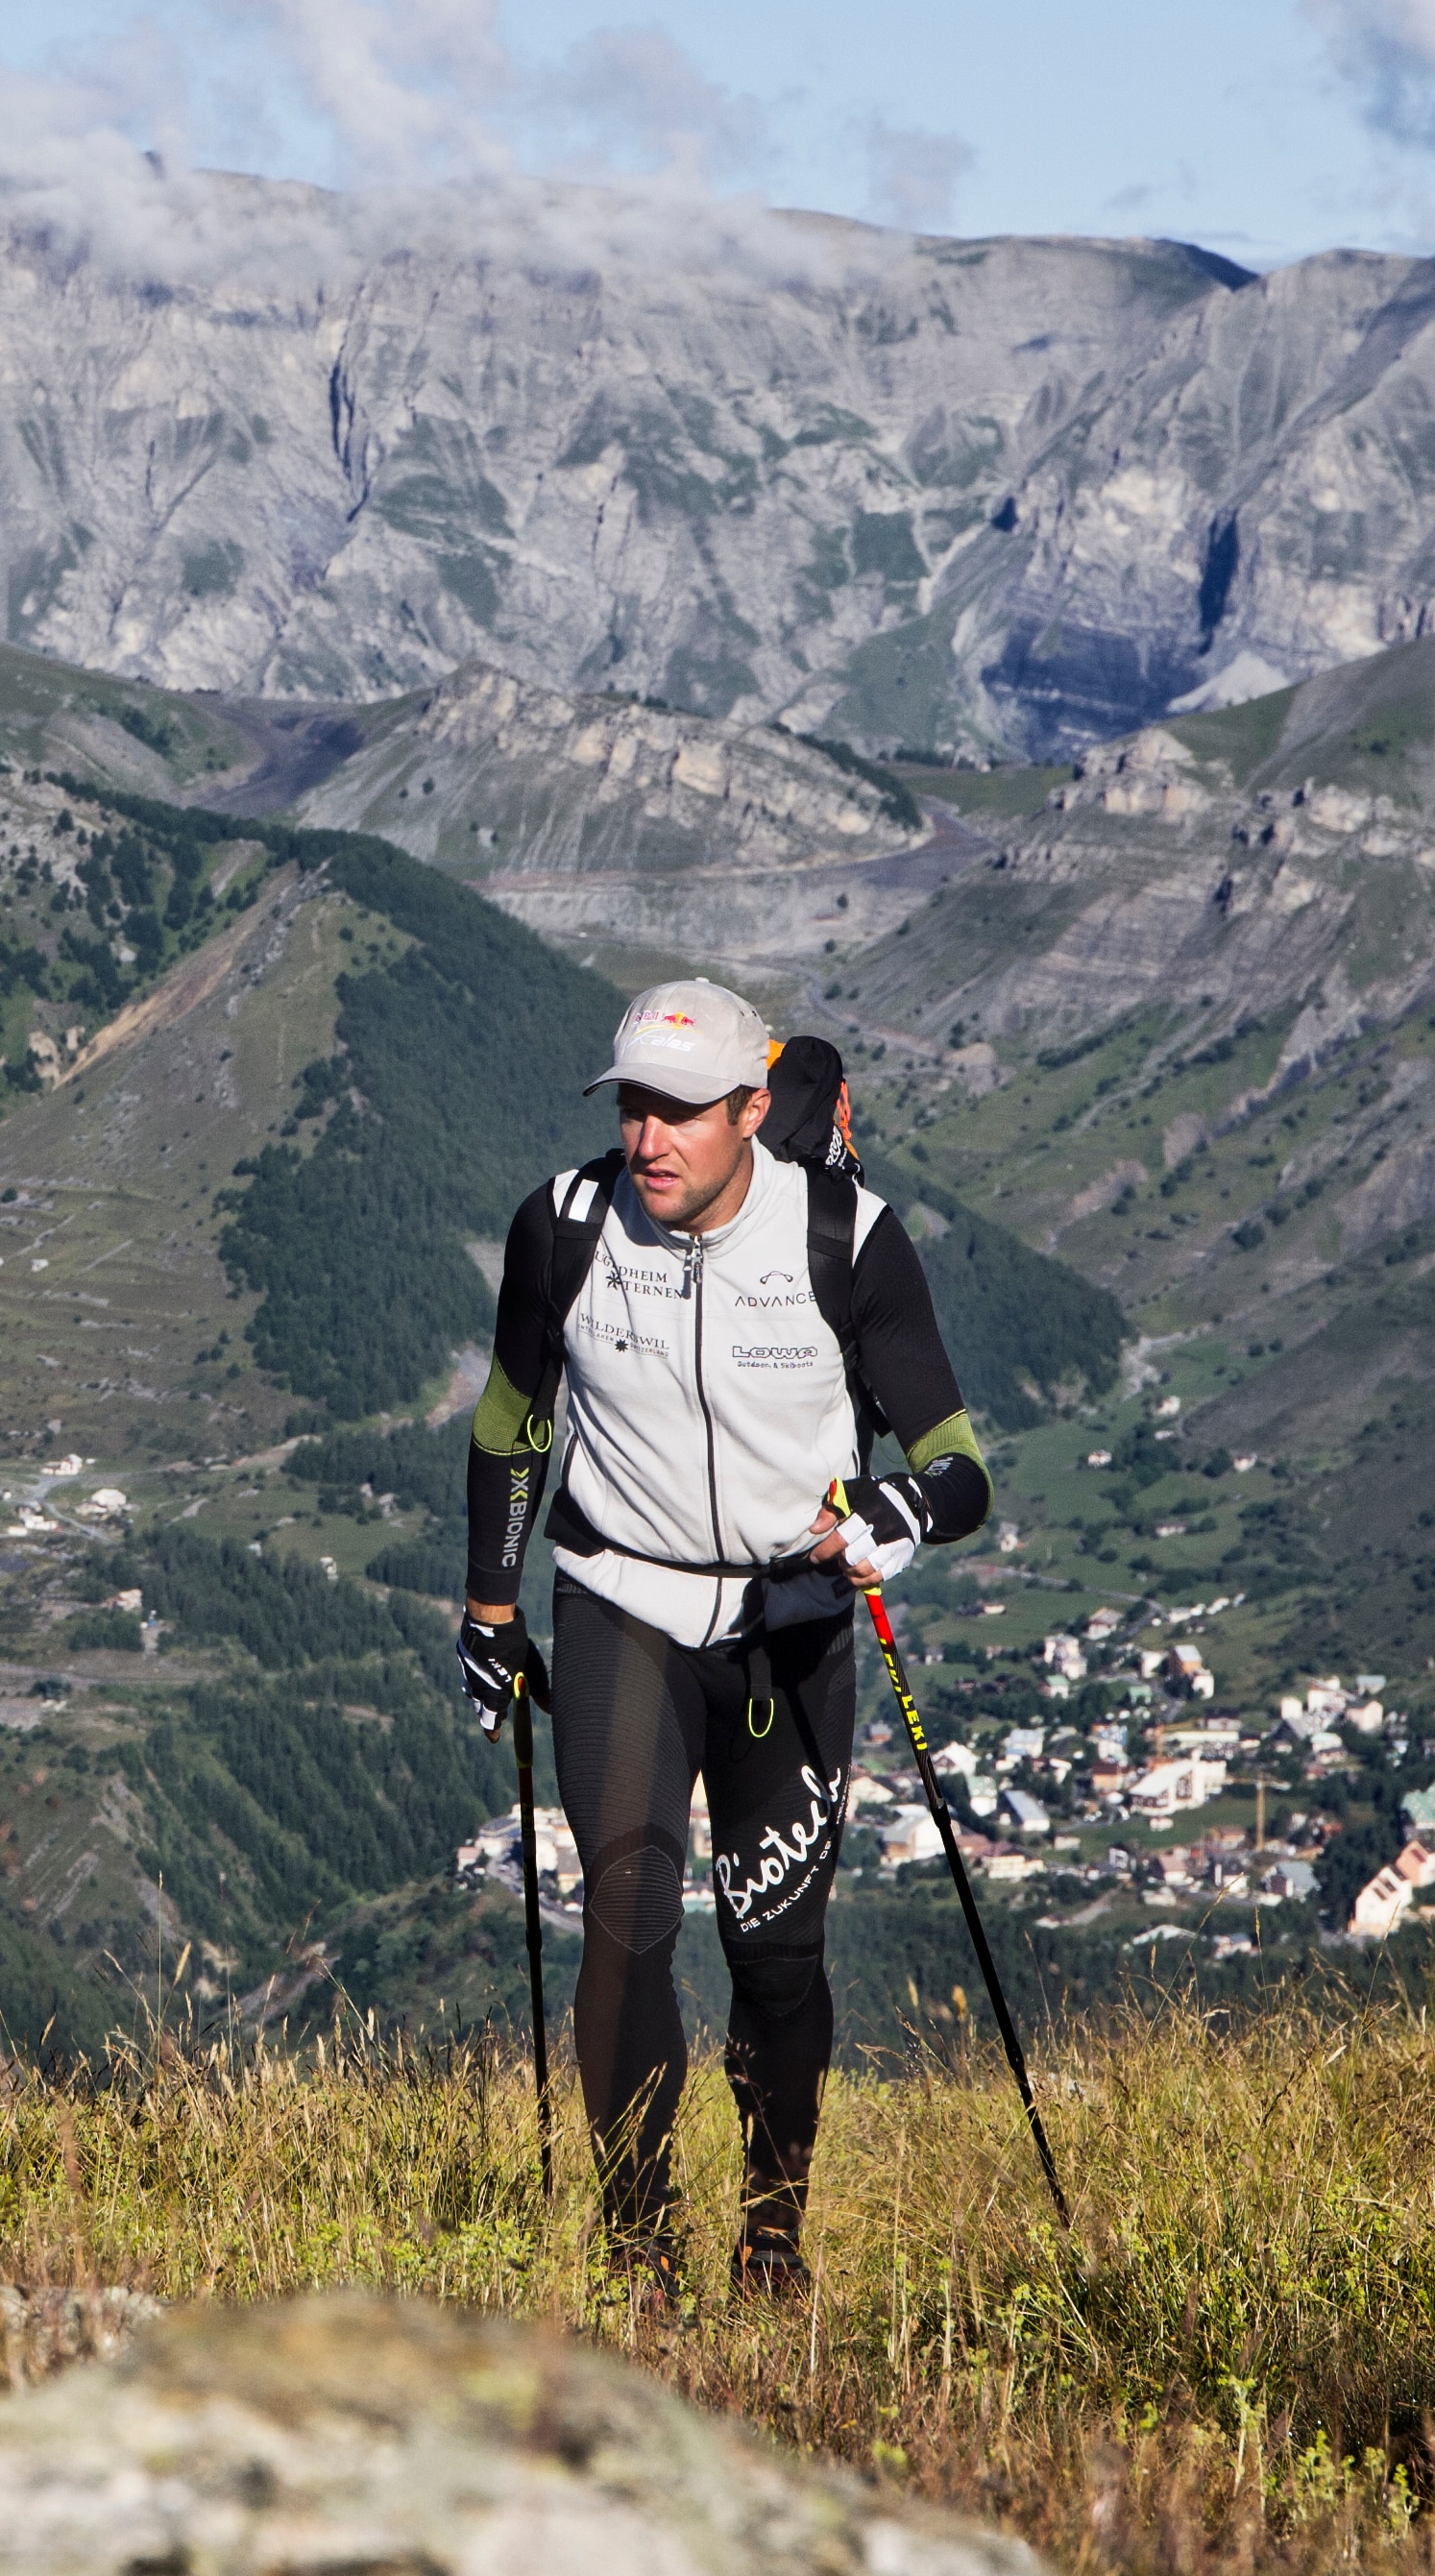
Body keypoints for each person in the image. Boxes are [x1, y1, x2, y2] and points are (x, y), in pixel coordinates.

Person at [454, 976, 989, 2303]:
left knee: (776, 1951)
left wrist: (901, 1507)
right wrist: (488, 1607)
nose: (649, 1141)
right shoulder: (566, 1228)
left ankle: (771, 2235)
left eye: (683, 1112)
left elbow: (960, 1464)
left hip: (791, 1623)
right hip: (621, 1606)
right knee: (624, 1921)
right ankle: (639, 2248)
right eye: (633, 1107)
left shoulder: (847, 1240)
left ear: (753, 1109)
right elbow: (510, 1423)